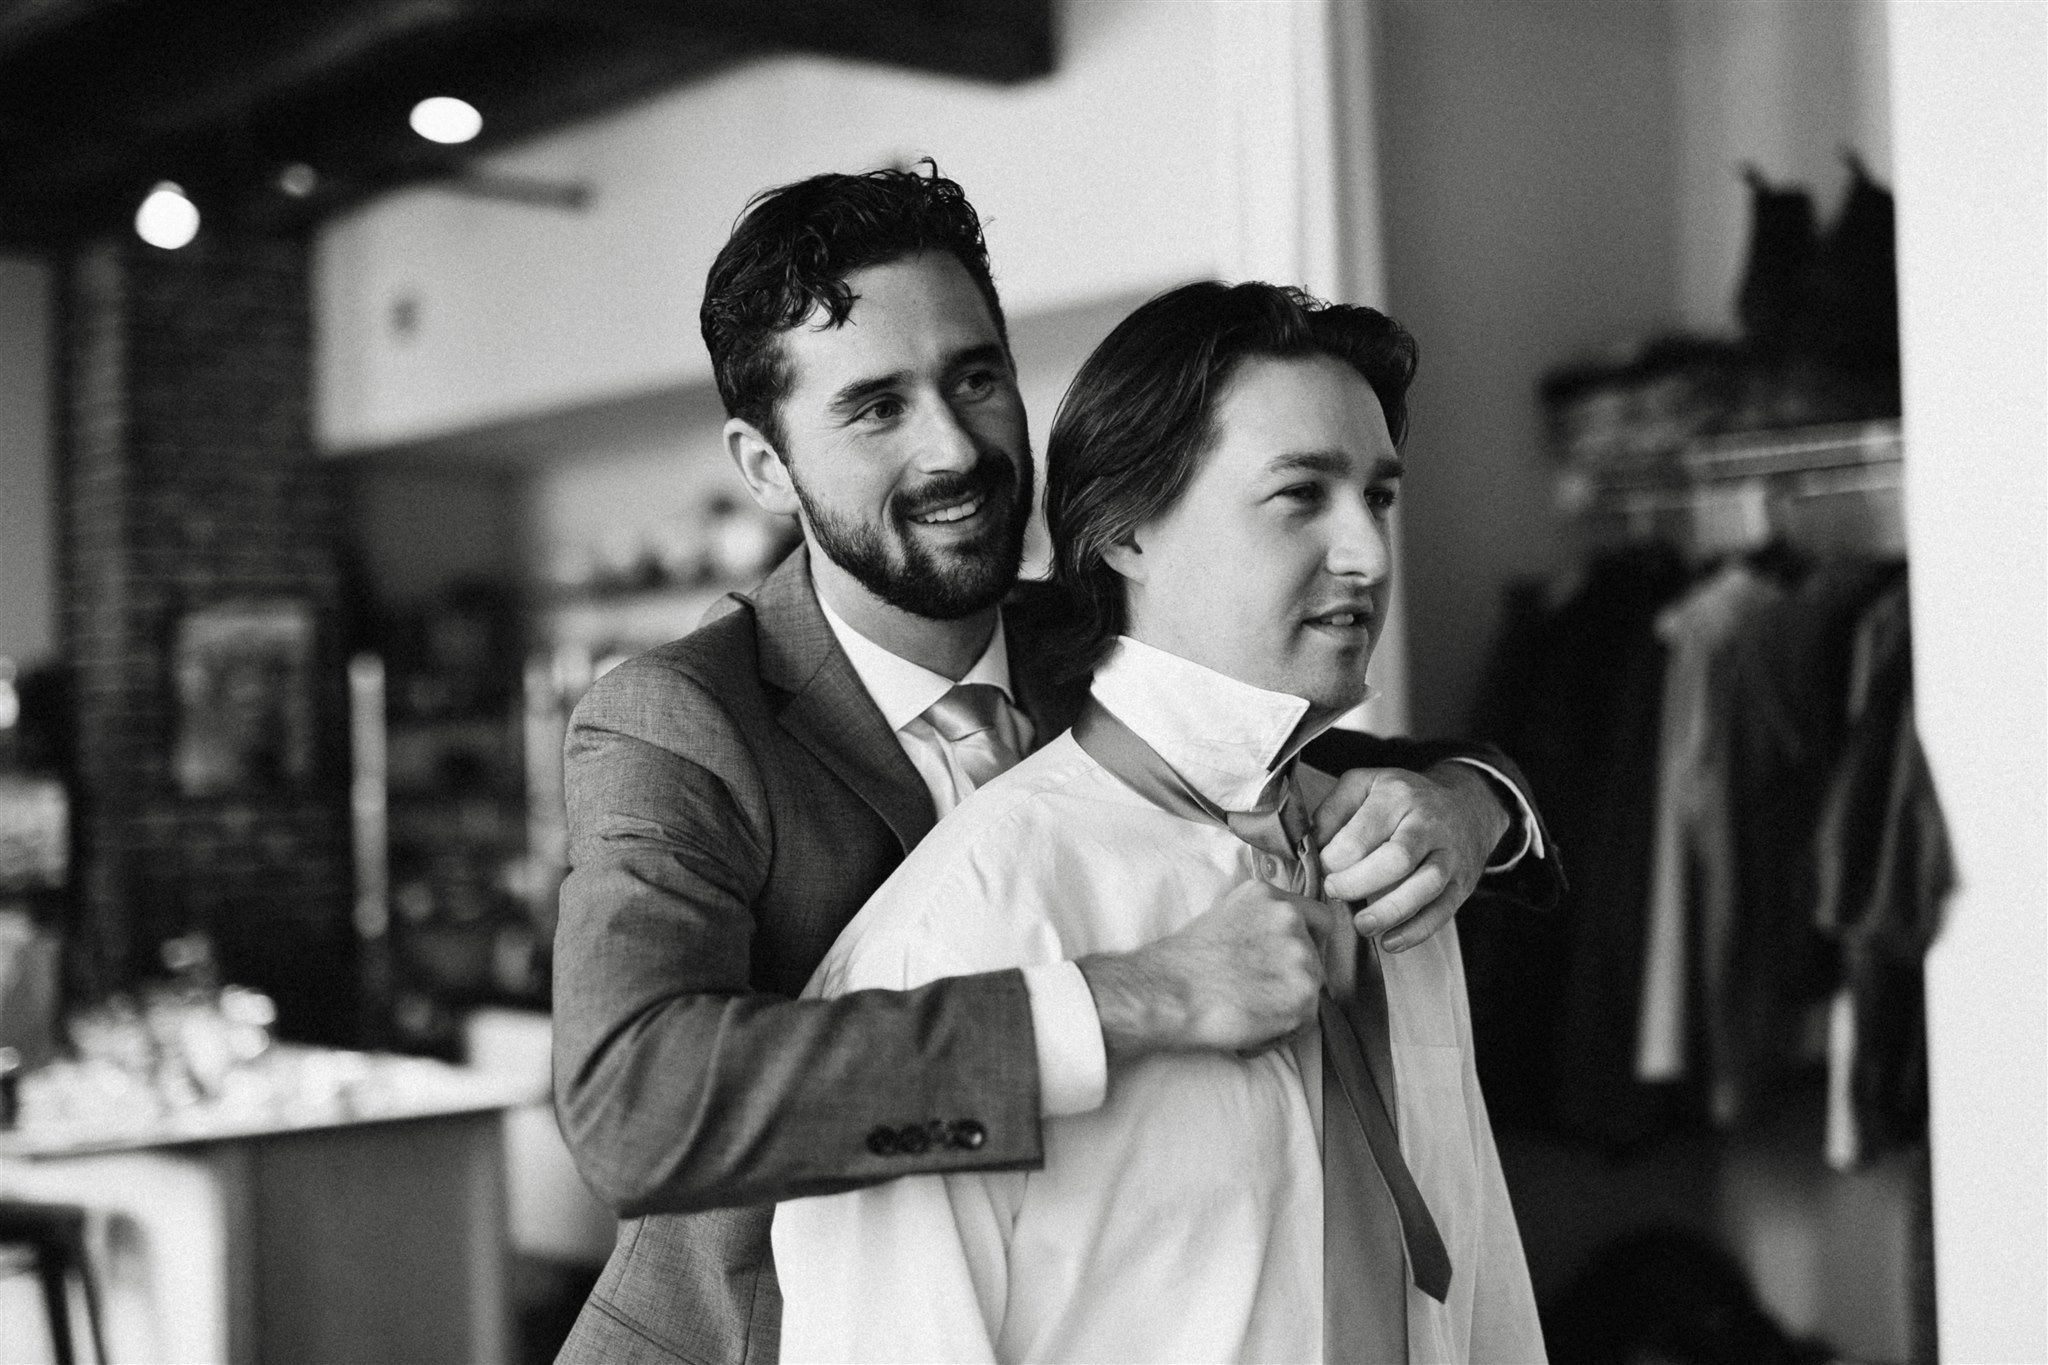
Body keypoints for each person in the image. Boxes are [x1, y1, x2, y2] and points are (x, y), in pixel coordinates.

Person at [551, 165, 1559, 1365]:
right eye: (875, 407)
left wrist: (1466, 803)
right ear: (763, 466)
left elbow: (1313, 749)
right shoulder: (680, 719)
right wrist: (1140, 995)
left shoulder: (1097, 638)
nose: (953, 447)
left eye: (975, 377)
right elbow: (637, 1108)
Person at [772, 279, 1545, 1363]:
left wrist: (1474, 802)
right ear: (1126, 530)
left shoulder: (1396, 859)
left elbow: (1479, 1276)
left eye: (1376, 496)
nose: (1367, 555)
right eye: (1298, 495)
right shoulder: (953, 944)